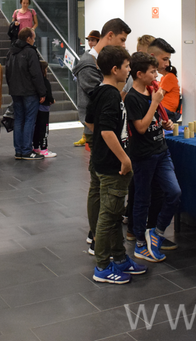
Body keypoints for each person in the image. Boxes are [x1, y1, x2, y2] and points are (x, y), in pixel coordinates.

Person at [85, 45, 147, 283]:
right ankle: (102, 266)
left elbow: (92, 122)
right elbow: (107, 131)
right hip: (112, 166)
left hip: (101, 160)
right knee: (109, 217)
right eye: (127, 66)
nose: (129, 70)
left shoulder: (101, 91)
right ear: (115, 69)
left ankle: (119, 258)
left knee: (110, 215)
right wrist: (124, 158)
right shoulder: (111, 95)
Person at [73, 18, 131, 254]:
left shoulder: (99, 68)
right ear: (110, 36)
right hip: (101, 137)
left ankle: (102, 239)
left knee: (102, 190)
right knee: (102, 191)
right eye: (121, 40)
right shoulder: (89, 67)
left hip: (104, 134)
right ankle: (99, 239)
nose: (123, 45)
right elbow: (98, 110)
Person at [125, 52, 180, 265]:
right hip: (144, 155)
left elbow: (155, 119)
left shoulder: (152, 91)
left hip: (161, 150)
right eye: (152, 71)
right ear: (139, 74)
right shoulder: (133, 97)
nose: (156, 75)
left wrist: (165, 123)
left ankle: (156, 232)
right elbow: (140, 127)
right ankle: (140, 242)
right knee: (142, 198)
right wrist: (155, 104)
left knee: (174, 192)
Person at [6, 27, 46, 161]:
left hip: (15, 91)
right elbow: (36, 74)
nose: (34, 40)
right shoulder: (30, 52)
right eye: (33, 38)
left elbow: (7, 72)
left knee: (19, 119)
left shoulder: (11, 52)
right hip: (29, 91)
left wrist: (12, 88)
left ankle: (18, 151)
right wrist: (42, 92)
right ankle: (27, 150)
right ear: (28, 38)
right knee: (29, 120)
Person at [74, 30, 102, 148]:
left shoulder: (97, 57)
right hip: (92, 114)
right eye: (89, 40)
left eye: (93, 40)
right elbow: (93, 91)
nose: (90, 43)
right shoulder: (88, 60)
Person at [32, 60, 55, 158]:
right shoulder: (45, 82)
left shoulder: (34, 81)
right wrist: (52, 100)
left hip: (36, 108)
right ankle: (44, 148)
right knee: (44, 128)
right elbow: (49, 95)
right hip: (44, 108)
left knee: (36, 127)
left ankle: (36, 146)